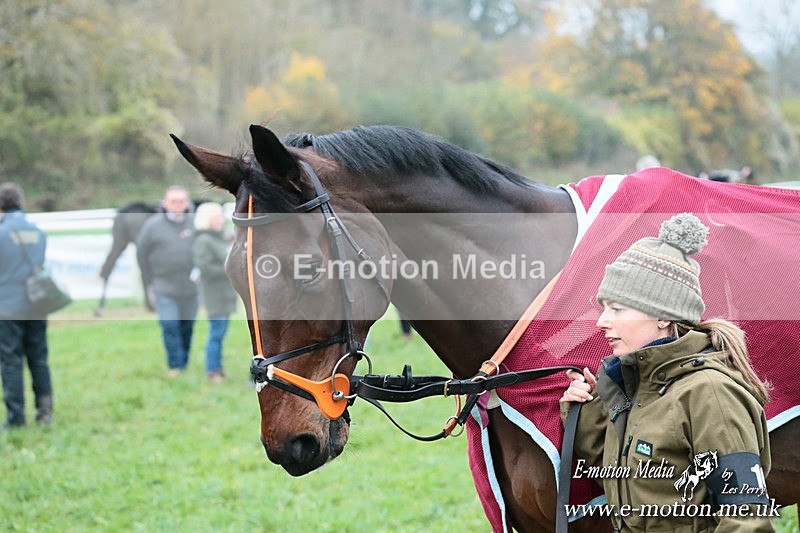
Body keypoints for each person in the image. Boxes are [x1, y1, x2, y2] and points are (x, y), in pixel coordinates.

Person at [560, 213, 772, 532]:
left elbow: (746, 519)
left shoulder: (709, 393)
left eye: (617, 309)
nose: (601, 321)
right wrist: (586, 410)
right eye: (603, 308)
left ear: (662, 316)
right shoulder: (638, 385)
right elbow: (626, 477)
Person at [0, 183, 54, 427]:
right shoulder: (37, 231)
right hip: (37, 304)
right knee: (39, 359)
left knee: (10, 361)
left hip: (8, 306)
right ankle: (45, 413)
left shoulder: (2, 232)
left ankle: (16, 417)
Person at [136, 186, 198, 377]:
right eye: (173, 201)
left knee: (187, 326)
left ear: (187, 203)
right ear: (165, 204)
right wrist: (150, 280)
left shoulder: (194, 223)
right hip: (164, 285)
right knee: (170, 324)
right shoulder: (152, 226)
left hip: (191, 287)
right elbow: (141, 254)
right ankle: (175, 365)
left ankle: (184, 362)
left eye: (181, 201)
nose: (177, 204)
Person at [192, 202, 237, 383]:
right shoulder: (204, 241)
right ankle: (212, 370)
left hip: (223, 294)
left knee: (220, 332)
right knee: (216, 333)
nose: (221, 220)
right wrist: (229, 269)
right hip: (214, 294)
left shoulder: (217, 239)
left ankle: (217, 367)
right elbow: (205, 267)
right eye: (217, 217)